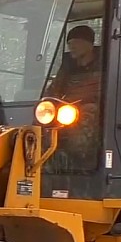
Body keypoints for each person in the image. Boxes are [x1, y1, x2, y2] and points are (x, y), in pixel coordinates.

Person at [45, 24, 103, 172]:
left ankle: (82, 167)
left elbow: (106, 95)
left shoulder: (105, 65)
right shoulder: (67, 67)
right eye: (69, 43)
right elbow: (53, 90)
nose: (71, 47)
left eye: (75, 42)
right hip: (66, 110)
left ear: (88, 44)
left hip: (96, 113)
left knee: (87, 114)